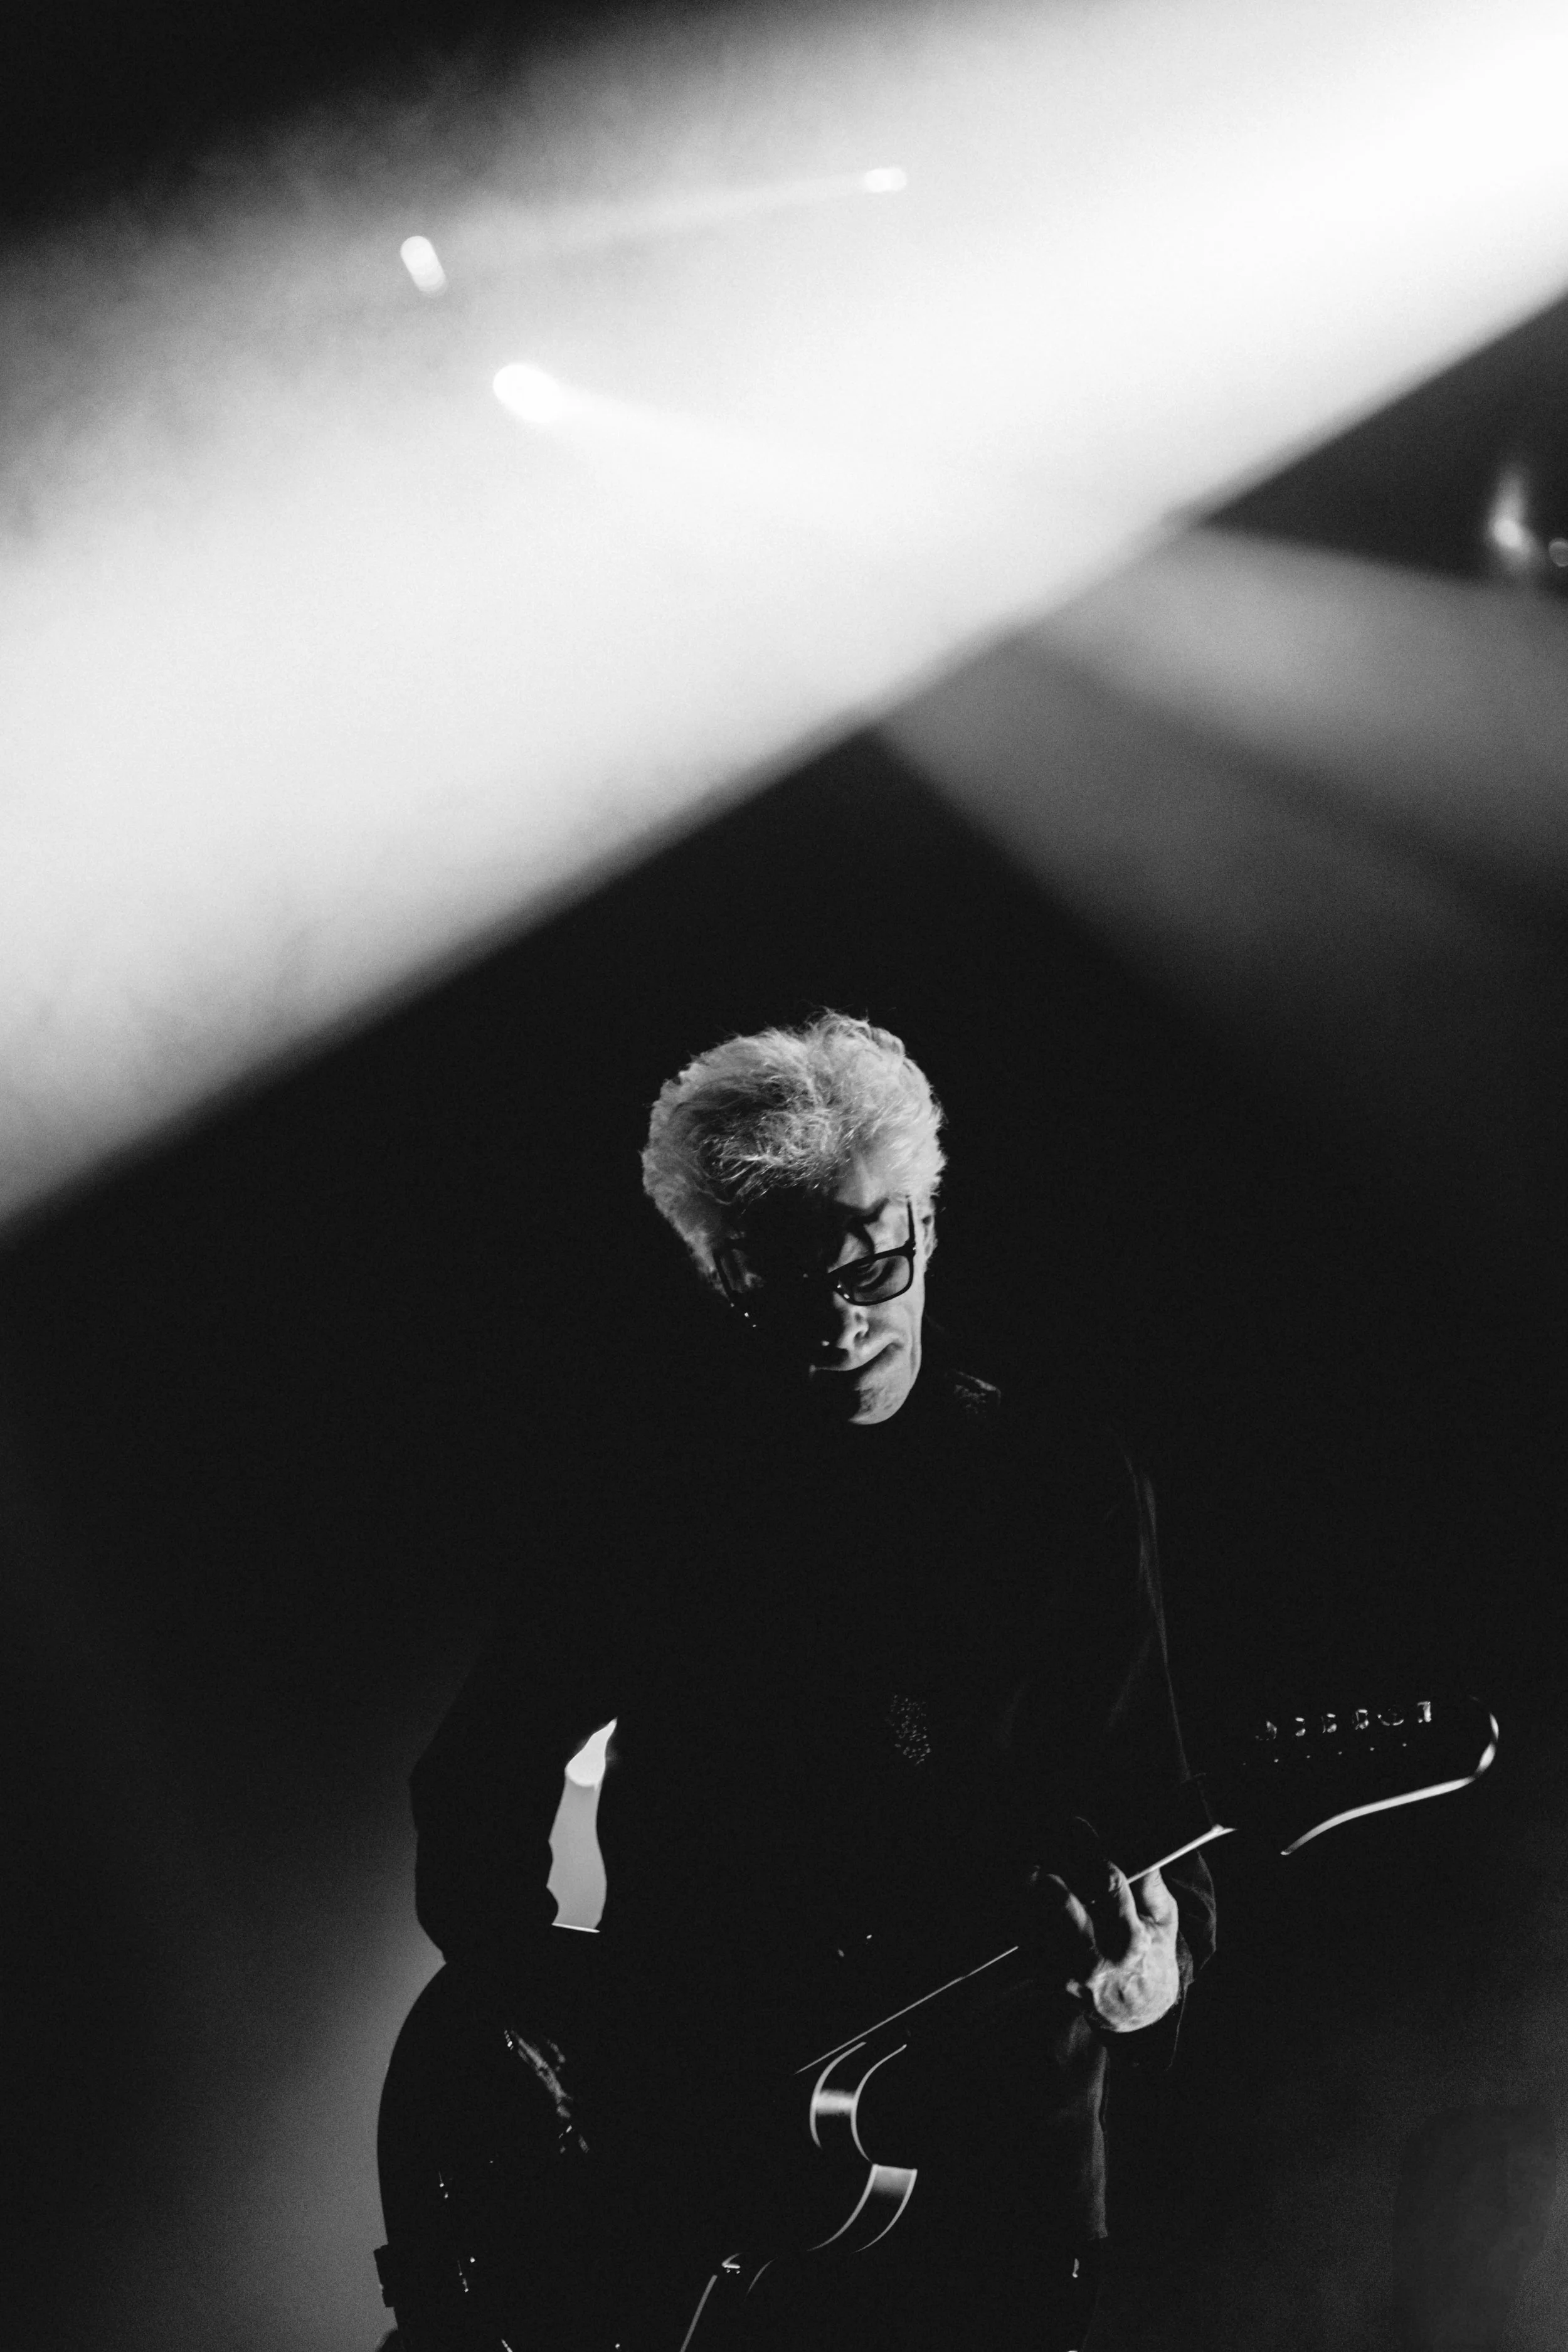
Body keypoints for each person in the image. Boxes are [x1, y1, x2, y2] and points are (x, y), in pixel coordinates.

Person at [379, 1012, 1216, 2352]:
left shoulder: (1056, 1486)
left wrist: (1145, 1969)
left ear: (925, 1228)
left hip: (994, 2173)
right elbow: (477, 1776)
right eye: (776, 1287)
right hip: (703, 2182)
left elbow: (1146, 1809)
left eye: (869, 1266)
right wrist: (549, 2041)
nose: (835, 1326)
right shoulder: (659, 1494)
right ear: (718, 1276)